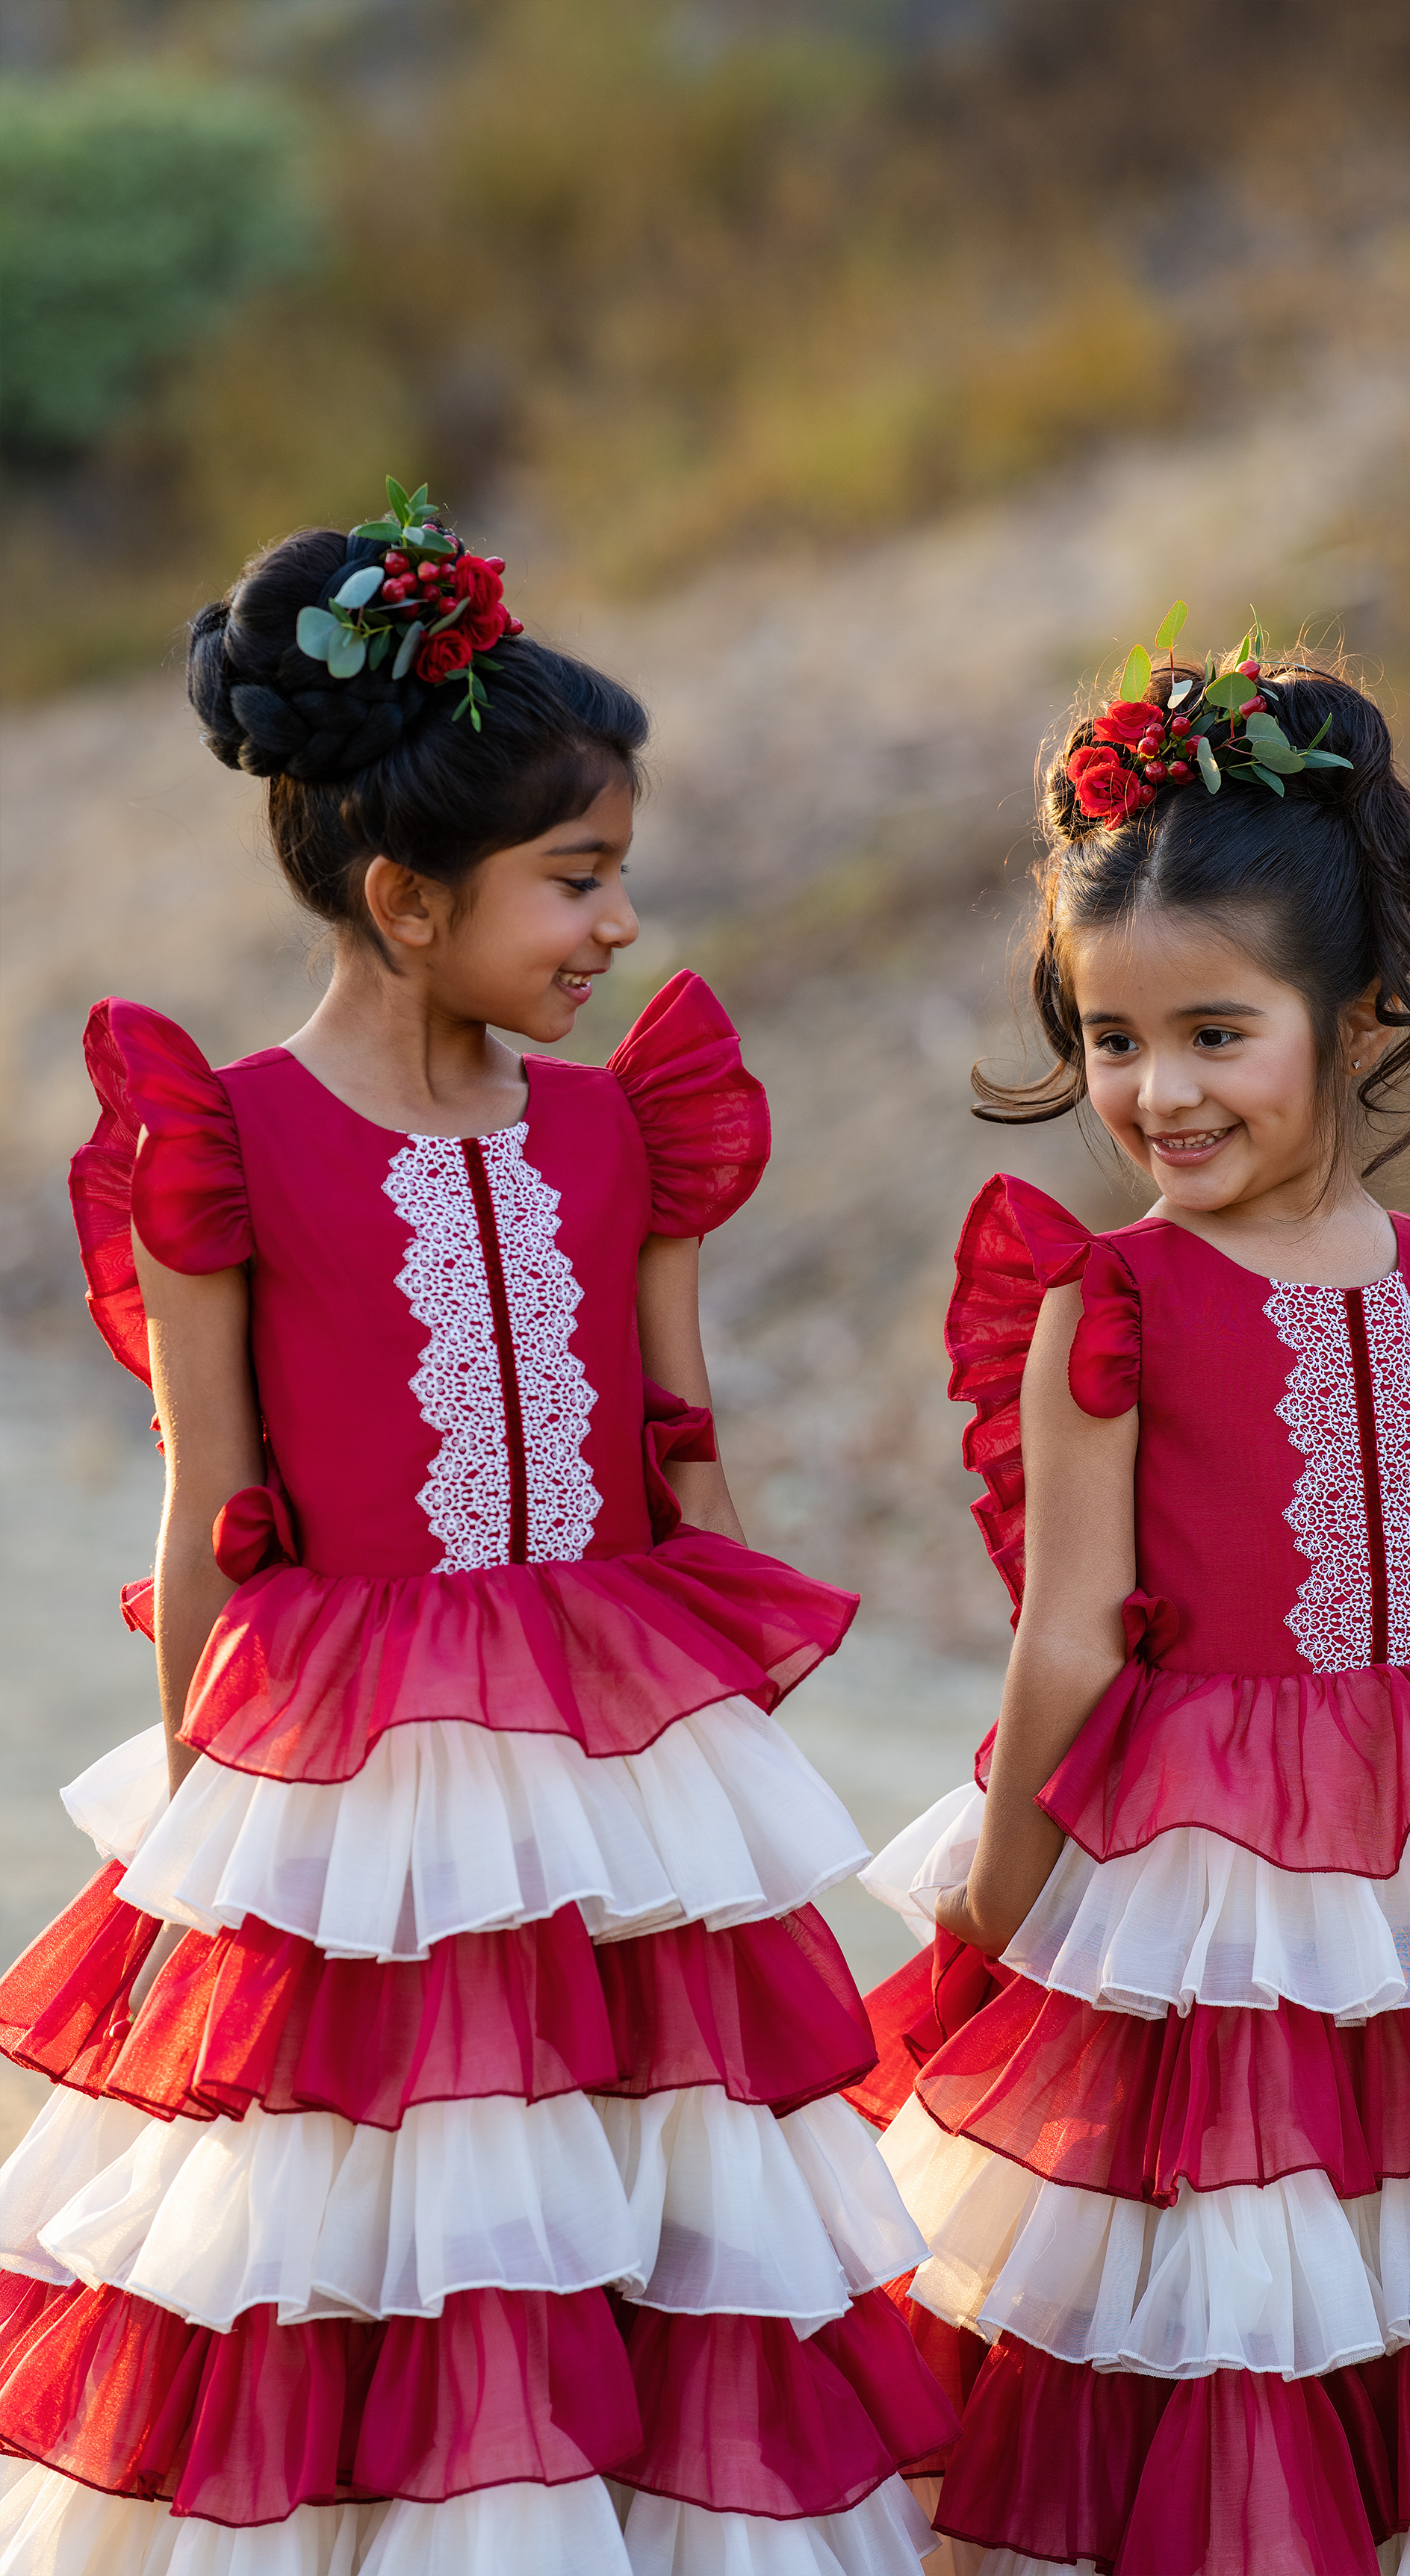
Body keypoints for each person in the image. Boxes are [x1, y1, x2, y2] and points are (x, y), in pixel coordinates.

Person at [0, 487, 956, 2572]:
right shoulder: (230, 1144)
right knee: (380, 2258)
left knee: (649, 2251)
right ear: (406, 899)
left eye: (617, 877)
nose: (617, 926)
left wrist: (725, 1807)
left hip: (621, 1820)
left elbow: (687, 1475)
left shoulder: (628, 1133)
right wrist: (196, 1854)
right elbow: (209, 1517)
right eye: (574, 881)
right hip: (362, 1822)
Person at [851, 628, 1410, 2575]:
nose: (1153, 1092)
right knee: (1199, 2317)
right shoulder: (1113, 1303)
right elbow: (1065, 1636)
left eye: (1209, 1032)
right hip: (1189, 1896)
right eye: (1107, 1040)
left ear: (1356, 1009)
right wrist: (994, 1894)